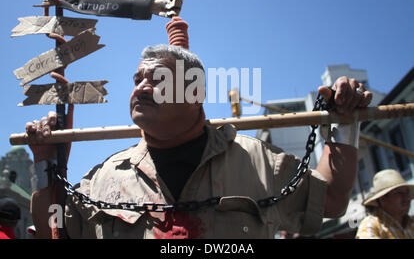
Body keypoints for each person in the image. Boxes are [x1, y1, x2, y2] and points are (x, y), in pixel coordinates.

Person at [26, 44, 372, 239]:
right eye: (138, 79)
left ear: (196, 93)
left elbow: (332, 199)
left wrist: (344, 123)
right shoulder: (104, 178)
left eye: (158, 78)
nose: (142, 87)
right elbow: (52, 235)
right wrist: (44, 163)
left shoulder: (258, 162)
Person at [356, 169, 414, 239]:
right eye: (399, 192)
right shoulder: (371, 225)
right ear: (383, 199)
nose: (406, 197)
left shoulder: (411, 223)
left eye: (407, 192)